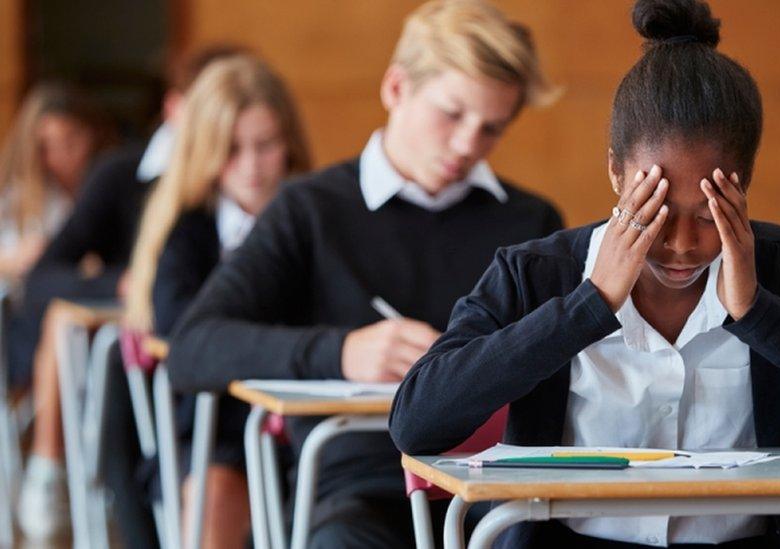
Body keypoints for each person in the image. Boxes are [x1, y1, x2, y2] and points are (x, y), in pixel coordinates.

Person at [390, 0, 780, 547]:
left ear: (743, 183)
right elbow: (416, 420)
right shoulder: (535, 272)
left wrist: (757, 314)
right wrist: (590, 304)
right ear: (614, 171)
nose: (679, 245)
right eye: (655, 211)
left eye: (706, 215)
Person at [167, 1, 563, 546]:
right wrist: (342, 353)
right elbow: (193, 348)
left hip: (498, 490)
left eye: (491, 128)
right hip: (358, 488)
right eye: (452, 114)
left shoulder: (529, 221)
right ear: (396, 88)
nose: (468, 144)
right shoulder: (310, 210)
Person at [14, 45, 242, 543]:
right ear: (176, 108)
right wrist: (119, 281)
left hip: (210, 359)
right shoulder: (122, 174)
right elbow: (45, 275)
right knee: (112, 359)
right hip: (139, 345)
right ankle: (52, 472)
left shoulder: (264, 189)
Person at [126, 54, 311, 549]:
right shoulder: (186, 232)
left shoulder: (315, 220)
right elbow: (187, 337)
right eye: (232, 149)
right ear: (204, 151)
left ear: (288, 143)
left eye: (265, 145)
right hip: (212, 436)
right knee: (219, 490)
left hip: (305, 424)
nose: (251, 166)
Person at [0, 82, 110, 304]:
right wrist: (16, 259)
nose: (62, 155)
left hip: (87, 303)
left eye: (71, 140)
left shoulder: (107, 184)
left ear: (92, 134)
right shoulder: (19, 194)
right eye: (49, 144)